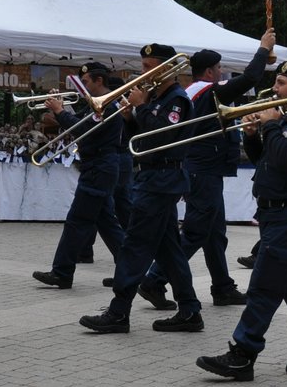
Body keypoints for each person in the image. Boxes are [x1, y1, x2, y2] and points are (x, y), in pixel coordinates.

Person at [197, 62, 287, 380]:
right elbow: (269, 161)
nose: (273, 90)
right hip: (279, 214)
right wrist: (252, 135)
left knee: (263, 286)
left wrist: (271, 126)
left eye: (280, 83)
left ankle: (243, 354)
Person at [138, 34, 275, 310]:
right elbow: (249, 78)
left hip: (205, 169)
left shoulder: (193, 91)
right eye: (220, 68)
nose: (222, 73)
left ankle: (222, 287)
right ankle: (154, 279)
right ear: (211, 71)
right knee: (196, 232)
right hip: (203, 170)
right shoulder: (207, 90)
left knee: (215, 234)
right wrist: (263, 50)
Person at [79, 43, 202, 335]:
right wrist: (130, 118)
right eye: (143, 66)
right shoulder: (157, 97)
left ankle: (119, 311)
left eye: (148, 67)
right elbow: (143, 138)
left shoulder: (176, 99)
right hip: (153, 177)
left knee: (135, 244)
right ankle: (189, 310)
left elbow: (163, 136)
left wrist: (141, 107)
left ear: (165, 68)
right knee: (169, 249)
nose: (142, 72)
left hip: (162, 181)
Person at [34, 63, 126, 289]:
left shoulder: (106, 105)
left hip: (99, 167)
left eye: (86, 82)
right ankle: (132, 269)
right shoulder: (96, 105)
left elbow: (83, 130)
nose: (83, 87)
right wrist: (62, 108)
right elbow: (79, 123)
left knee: (77, 221)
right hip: (98, 165)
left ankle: (62, 272)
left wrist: (59, 111)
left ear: (99, 81)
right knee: (107, 223)